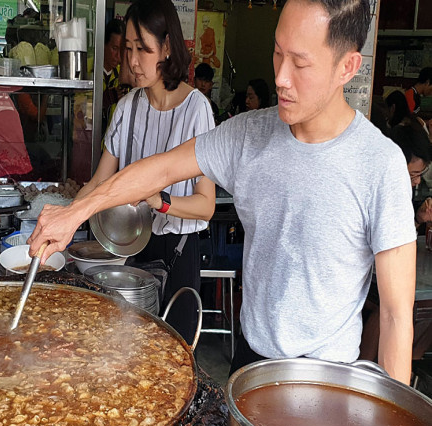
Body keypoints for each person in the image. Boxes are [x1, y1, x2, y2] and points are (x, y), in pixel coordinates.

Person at [29, 0, 416, 384]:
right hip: (250, 364)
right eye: (277, 54)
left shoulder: (379, 165)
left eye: (300, 63)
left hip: (326, 378)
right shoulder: (249, 135)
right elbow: (160, 168)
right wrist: (74, 213)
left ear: (348, 66)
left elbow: (397, 318)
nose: (280, 77)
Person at [77, 0, 215, 343]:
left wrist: (160, 200)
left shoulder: (197, 110)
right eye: (127, 48)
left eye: (143, 48)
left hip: (179, 252)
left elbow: (206, 205)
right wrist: (65, 220)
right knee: (126, 352)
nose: (133, 61)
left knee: (175, 358)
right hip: (131, 250)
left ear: (166, 48)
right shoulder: (127, 108)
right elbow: (99, 181)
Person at [361, 123, 432, 362]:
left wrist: (418, 219)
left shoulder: (402, 194)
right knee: (389, 305)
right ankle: (365, 368)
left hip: (377, 276)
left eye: (419, 176)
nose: (415, 183)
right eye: (413, 175)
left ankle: (410, 362)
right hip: (362, 278)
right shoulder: (375, 187)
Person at [102, 19, 126, 135]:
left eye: (122, 50)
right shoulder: (87, 69)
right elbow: (77, 109)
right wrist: (103, 100)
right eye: (114, 49)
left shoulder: (124, 76)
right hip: (87, 143)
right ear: (103, 44)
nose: (118, 56)